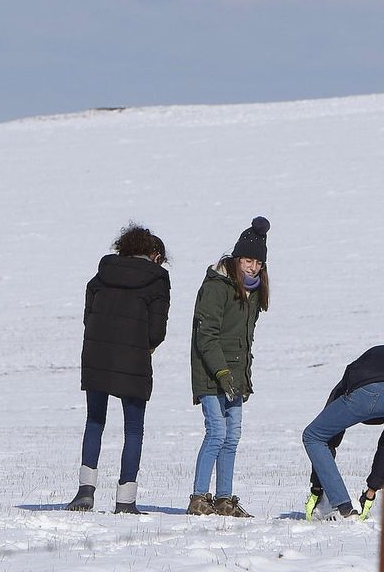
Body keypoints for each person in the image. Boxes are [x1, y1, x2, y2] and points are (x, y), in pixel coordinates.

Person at [67, 223, 171, 515]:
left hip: (97, 354)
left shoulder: (101, 273)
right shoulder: (158, 279)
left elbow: (89, 315)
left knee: (95, 421)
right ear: (154, 254)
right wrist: (143, 345)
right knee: (133, 429)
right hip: (134, 358)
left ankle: (85, 492)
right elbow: (157, 330)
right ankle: (125, 500)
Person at [187, 217, 270, 517]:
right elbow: (205, 335)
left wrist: (242, 377)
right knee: (217, 433)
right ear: (236, 259)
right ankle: (198, 497)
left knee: (232, 437)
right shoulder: (216, 287)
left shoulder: (254, 291)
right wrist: (221, 372)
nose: (252, 267)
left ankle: (224, 499)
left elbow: (244, 341)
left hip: (234, 376)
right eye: (247, 260)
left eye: (258, 262)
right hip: (211, 373)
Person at [301, 345, 384, 522]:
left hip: (369, 388)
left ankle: (343, 508)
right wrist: (371, 491)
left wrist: (317, 487)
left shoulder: (352, 377)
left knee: (313, 436)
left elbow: (328, 439)